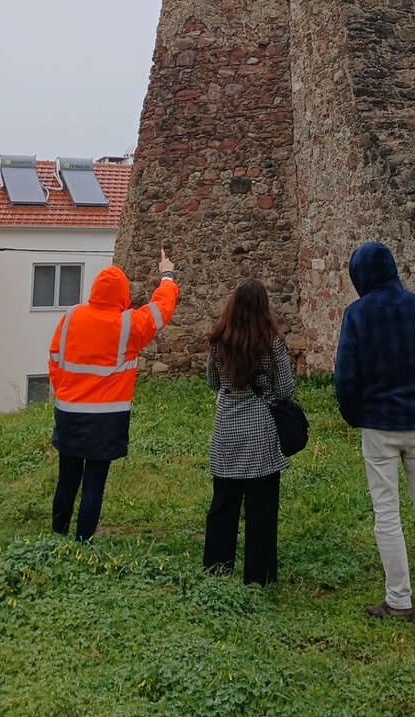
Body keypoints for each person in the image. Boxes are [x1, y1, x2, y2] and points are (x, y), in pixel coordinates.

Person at [333, 240, 415, 621]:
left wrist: (356, 414)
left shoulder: (358, 315)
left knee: (386, 512)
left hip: (379, 424)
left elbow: (345, 376)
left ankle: (399, 598)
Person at [47, 248, 179, 541]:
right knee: (94, 483)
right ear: (122, 295)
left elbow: (55, 358)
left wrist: (65, 391)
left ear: (94, 290)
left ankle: (57, 536)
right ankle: (83, 541)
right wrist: (166, 275)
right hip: (106, 419)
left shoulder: (71, 317)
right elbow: (160, 310)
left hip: (68, 411)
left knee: (67, 479)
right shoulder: (128, 325)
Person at [202, 277, 295, 586]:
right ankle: (259, 576)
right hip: (260, 431)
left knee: (223, 506)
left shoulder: (219, 341)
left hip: (227, 427)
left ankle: (217, 569)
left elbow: (213, 383)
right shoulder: (271, 343)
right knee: (262, 511)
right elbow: (284, 388)